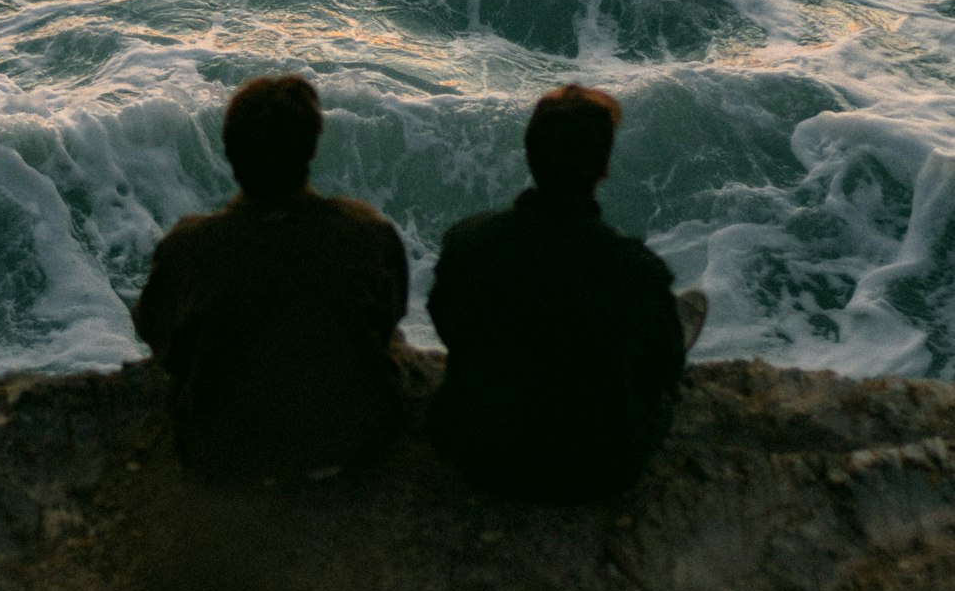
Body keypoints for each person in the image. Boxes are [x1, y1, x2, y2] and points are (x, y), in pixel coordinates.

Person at [427, 84, 700, 503]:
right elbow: (663, 371)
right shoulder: (634, 270)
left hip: (480, 455)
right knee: (661, 348)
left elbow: (446, 322)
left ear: (529, 156)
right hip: (598, 470)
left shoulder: (467, 244)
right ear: (604, 167)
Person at [133, 75, 408, 482]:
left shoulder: (190, 246)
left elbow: (159, 335)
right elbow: (390, 316)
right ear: (311, 149)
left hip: (224, 451)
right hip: (353, 442)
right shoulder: (367, 231)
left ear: (229, 152)